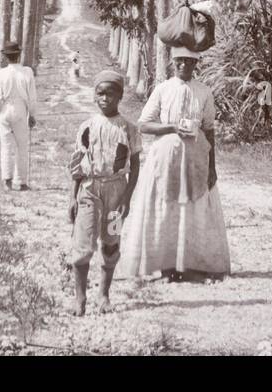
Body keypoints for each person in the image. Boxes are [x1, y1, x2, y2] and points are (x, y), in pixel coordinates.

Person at [120, 47, 230, 282]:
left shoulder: (204, 92)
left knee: (194, 207)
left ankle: (190, 264)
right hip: (166, 157)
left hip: (196, 158)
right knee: (166, 207)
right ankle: (166, 264)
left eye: (189, 62)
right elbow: (144, 125)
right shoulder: (163, 89)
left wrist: (212, 167)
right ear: (172, 63)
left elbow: (209, 130)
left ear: (195, 64)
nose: (184, 66)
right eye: (179, 61)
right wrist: (171, 127)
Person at [68, 69, 141, 315]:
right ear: (94, 96)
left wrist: (127, 198)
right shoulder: (86, 127)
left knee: (110, 243)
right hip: (89, 190)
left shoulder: (129, 129)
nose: (105, 99)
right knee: (83, 246)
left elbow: (135, 166)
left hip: (116, 192)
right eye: (100, 93)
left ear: (119, 96)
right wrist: (73, 197)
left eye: (110, 94)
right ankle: (80, 297)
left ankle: (104, 294)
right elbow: (78, 165)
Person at [0, 40, 36, 191]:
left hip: (4, 110)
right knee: (22, 146)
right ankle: (21, 182)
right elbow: (32, 97)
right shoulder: (27, 72)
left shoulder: (1, 74)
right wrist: (32, 114)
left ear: (5, 57)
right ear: (19, 55)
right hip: (20, 109)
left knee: (6, 146)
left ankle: (7, 181)